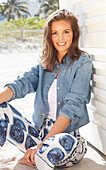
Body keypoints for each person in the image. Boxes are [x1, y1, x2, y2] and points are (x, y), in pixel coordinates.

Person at [0, 9, 92, 170]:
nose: (60, 38)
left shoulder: (82, 62)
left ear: (74, 34)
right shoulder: (45, 62)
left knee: (61, 143)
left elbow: (72, 108)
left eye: (66, 32)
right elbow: (22, 84)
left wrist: (41, 145)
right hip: (37, 136)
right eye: (54, 33)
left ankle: (36, 157)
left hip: (63, 140)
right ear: (49, 36)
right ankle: (34, 157)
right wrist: (37, 144)